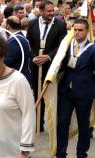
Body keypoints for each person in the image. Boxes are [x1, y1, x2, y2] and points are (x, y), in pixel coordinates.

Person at [56, 18, 95, 158]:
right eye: (75, 30)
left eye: (80, 30)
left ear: (87, 31)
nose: (77, 32)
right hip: (66, 91)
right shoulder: (66, 45)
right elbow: (58, 64)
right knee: (62, 123)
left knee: (83, 125)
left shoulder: (92, 49)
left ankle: (81, 153)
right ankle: (60, 153)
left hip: (84, 93)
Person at [26, 0, 67, 132]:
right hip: (35, 65)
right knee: (37, 93)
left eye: (52, 10)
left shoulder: (60, 24)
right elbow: (29, 43)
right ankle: (38, 124)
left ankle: (52, 123)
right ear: (41, 11)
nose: (51, 13)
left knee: (50, 94)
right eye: (48, 11)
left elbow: (62, 46)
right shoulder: (32, 24)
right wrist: (34, 57)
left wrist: (48, 56)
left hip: (52, 66)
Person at [4, 16, 32, 85]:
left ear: (8, 26)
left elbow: (7, 61)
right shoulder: (19, 37)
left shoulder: (15, 41)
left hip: (18, 80)